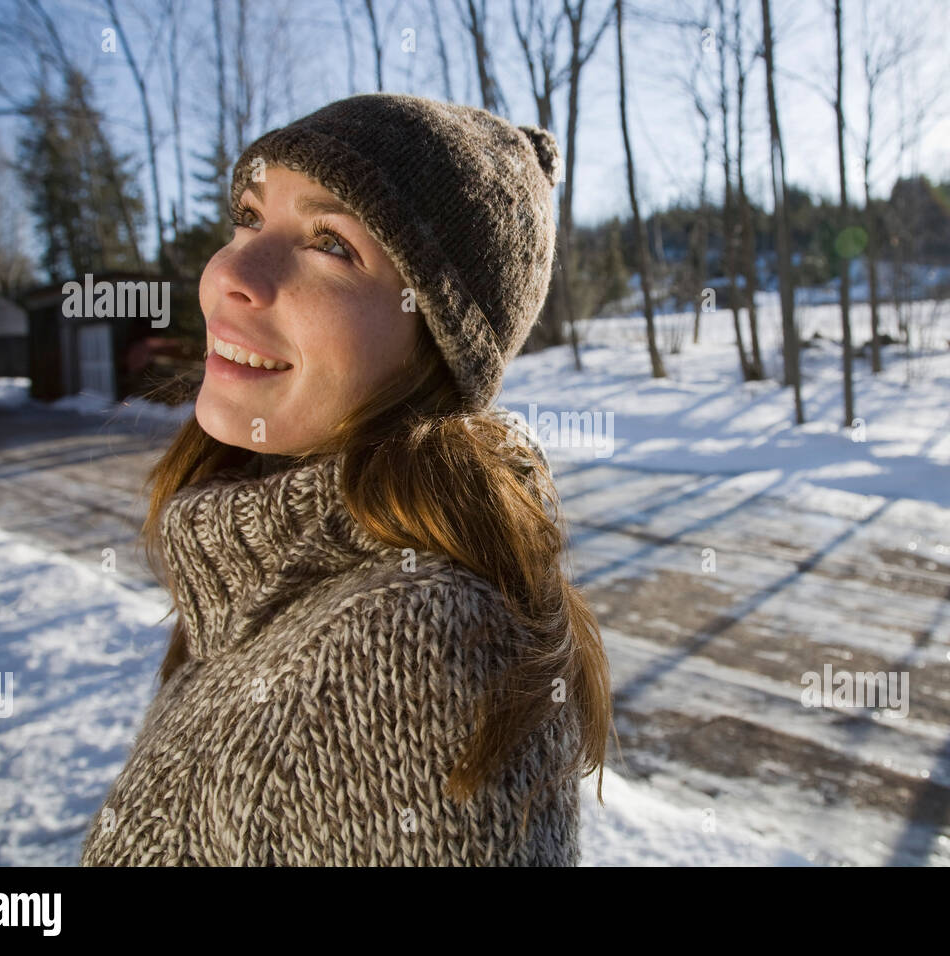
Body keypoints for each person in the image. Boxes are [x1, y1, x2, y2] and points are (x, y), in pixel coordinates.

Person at [79, 93, 613, 866]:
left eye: (330, 242)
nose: (232, 271)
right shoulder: (269, 580)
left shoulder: (411, 651)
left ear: (433, 348)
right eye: (252, 218)